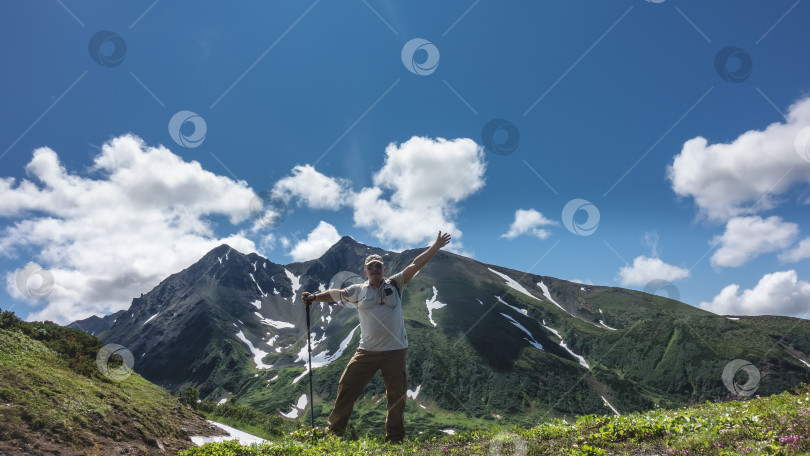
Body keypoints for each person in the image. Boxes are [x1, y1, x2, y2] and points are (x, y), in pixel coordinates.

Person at [301, 231, 452, 443]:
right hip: (367, 351)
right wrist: (315, 297)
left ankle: (395, 439)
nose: (374, 269)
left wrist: (436, 246)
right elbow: (335, 294)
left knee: (396, 397)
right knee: (347, 386)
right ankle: (334, 433)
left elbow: (415, 265)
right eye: (370, 266)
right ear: (365, 271)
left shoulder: (396, 284)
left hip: (395, 351)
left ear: (384, 269)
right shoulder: (357, 291)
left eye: (378, 266)